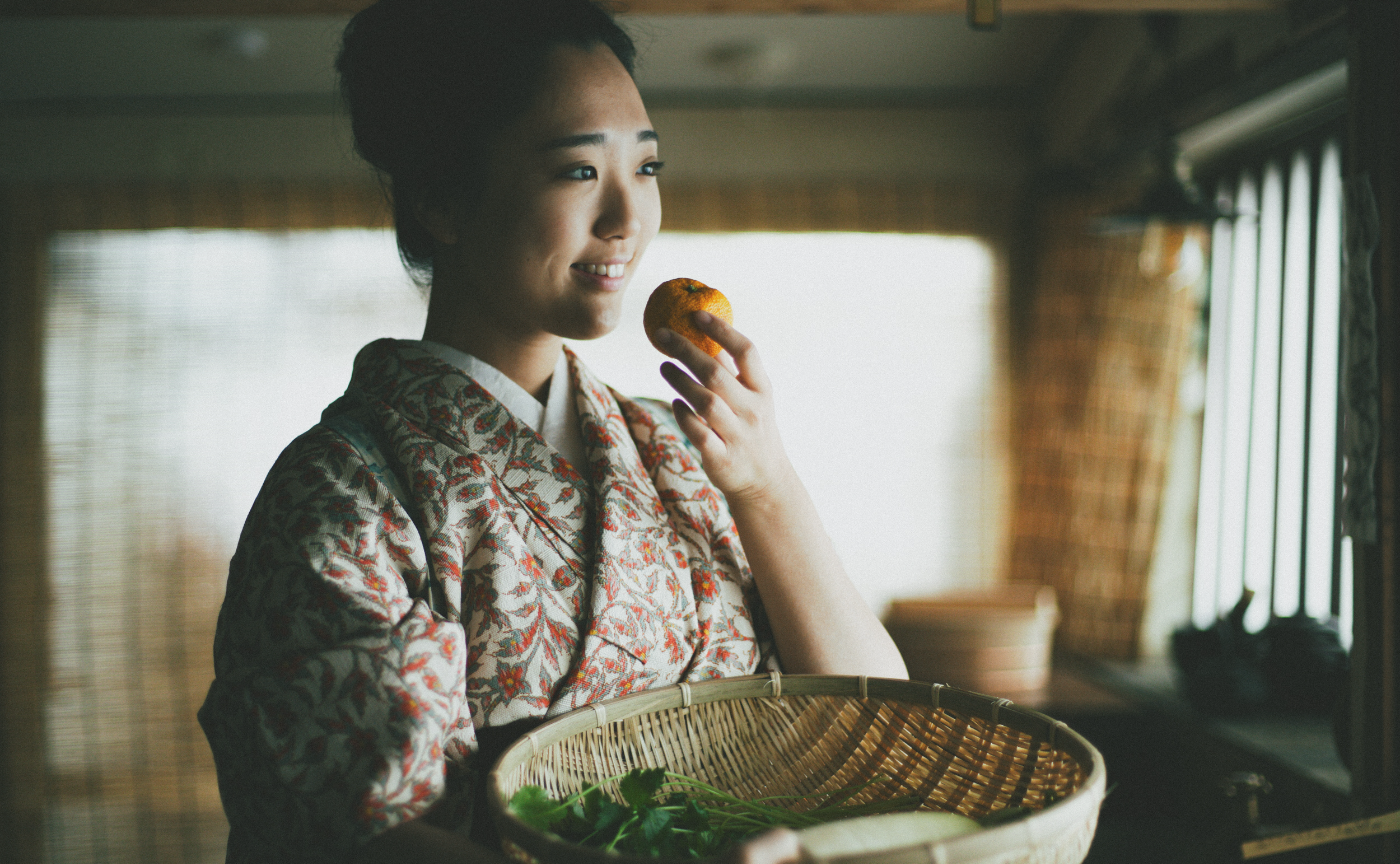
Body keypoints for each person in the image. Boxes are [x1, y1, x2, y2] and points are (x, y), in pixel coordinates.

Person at [198, 1, 907, 862]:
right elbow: (349, 836)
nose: (627, 218)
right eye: (577, 173)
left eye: (647, 168)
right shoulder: (342, 495)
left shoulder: (675, 446)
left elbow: (877, 719)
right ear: (440, 198)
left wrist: (768, 485)